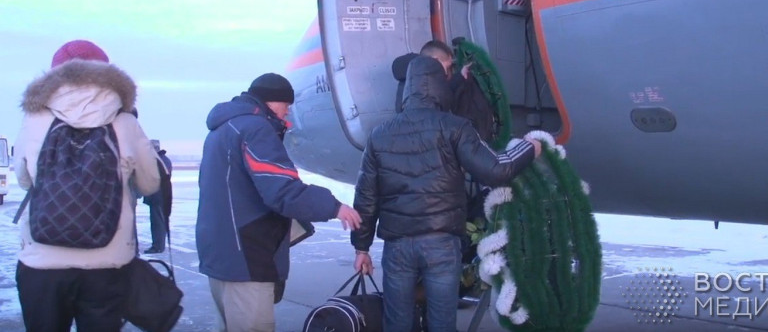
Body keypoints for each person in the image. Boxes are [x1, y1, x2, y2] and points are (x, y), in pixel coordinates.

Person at [351, 55, 542, 332]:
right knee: (442, 323)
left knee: (397, 322)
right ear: (440, 86)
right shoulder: (455, 127)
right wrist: (528, 147)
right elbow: (496, 169)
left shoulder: (380, 135)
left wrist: (361, 248)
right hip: (441, 244)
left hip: (397, 247)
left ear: (408, 88)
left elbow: (366, 197)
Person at [196, 72, 362, 332]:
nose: (288, 113)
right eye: (286, 105)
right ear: (272, 102)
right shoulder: (256, 129)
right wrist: (334, 206)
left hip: (221, 254)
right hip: (246, 258)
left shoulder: (223, 128)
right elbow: (283, 190)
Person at [13, 39, 160, 331]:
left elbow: (24, 180)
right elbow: (150, 183)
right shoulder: (125, 122)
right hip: (107, 264)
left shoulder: (34, 120)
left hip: (41, 262)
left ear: (55, 75)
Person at [393, 40, 495, 141]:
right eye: (447, 67)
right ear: (435, 60)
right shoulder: (420, 88)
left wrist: (460, 75)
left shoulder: (414, 82)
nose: (446, 72)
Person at [143, 140, 173, 254]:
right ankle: (158, 245)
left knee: (158, 222)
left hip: (158, 195)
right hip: (159, 195)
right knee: (158, 221)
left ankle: (158, 246)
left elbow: (156, 177)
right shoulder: (164, 160)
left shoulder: (158, 161)